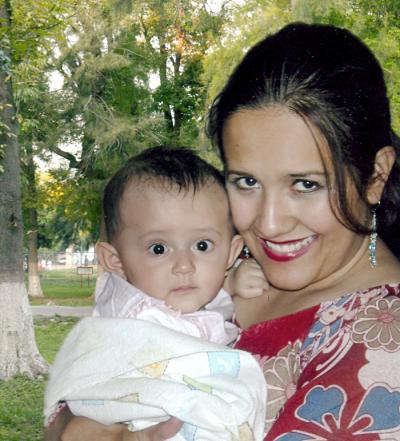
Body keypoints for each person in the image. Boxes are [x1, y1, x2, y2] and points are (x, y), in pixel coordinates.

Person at [47, 21, 400, 440]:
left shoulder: (381, 346)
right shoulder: (211, 272)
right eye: (246, 182)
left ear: (376, 177)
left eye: (306, 184)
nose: (268, 223)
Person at [44, 146, 267, 441]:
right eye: (158, 249)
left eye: (202, 246)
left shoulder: (176, 292)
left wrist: (228, 284)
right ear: (116, 261)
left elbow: (193, 309)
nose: (184, 266)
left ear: (231, 253)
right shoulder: (132, 314)